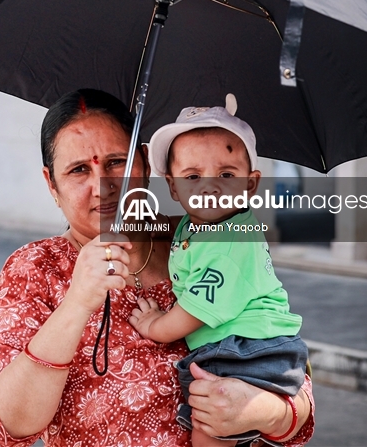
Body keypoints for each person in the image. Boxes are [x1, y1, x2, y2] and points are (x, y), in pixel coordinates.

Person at [0, 89, 314, 447]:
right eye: (78, 170)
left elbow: (289, 371)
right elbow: (9, 424)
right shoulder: (35, 271)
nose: (102, 186)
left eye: (117, 162)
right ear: (52, 185)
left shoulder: (201, 241)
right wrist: (76, 303)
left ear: (146, 165)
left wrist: (267, 413)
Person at [129, 96, 308, 447]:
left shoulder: (231, 241)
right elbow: (174, 228)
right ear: (173, 187)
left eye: (226, 175)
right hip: (238, 348)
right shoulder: (199, 224)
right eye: (193, 176)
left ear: (250, 184)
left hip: (251, 352)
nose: (209, 187)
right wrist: (141, 223)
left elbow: (196, 309)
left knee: (210, 428)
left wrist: (156, 326)